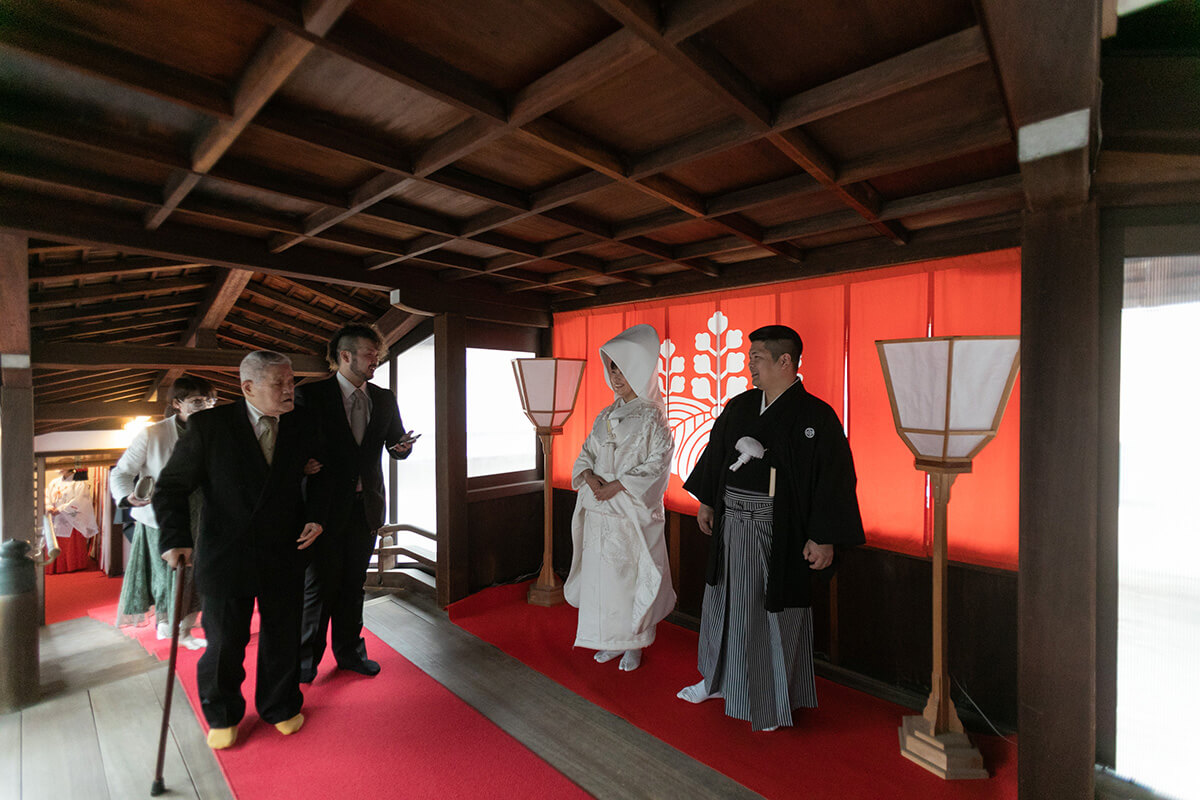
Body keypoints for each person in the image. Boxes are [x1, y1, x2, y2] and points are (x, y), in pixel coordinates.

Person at [677, 325, 865, 731]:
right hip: (731, 525)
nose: (750, 364)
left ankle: (767, 696)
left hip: (777, 534)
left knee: (768, 612)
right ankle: (715, 680)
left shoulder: (816, 416)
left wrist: (824, 535)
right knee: (723, 603)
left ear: (785, 361)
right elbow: (716, 454)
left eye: (757, 357)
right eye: (750, 356)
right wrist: (708, 500)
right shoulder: (741, 406)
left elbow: (834, 479)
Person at [154, 351, 330, 750]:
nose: (289, 390)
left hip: (285, 548)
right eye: (279, 384)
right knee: (225, 641)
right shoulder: (209, 426)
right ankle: (222, 713)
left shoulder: (301, 422)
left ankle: (280, 705)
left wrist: (317, 516)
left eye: (291, 382)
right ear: (247, 387)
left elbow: (323, 472)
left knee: (282, 636)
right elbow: (171, 487)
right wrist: (175, 538)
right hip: (226, 552)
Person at [297, 324, 413, 683]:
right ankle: (304, 662)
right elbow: (292, 448)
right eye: (368, 353)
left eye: (376, 354)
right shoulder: (310, 396)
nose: (374, 359)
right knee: (319, 587)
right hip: (323, 510)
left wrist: (403, 448)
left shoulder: (383, 398)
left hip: (366, 507)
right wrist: (301, 464)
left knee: (353, 585)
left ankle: (350, 653)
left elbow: (396, 444)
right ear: (344, 356)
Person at [564, 324, 676, 672]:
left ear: (639, 369)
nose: (615, 375)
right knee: (604, 580)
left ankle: (635, 643)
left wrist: (618, 485)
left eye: (621, 367)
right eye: (610, 366)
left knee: (629, 577)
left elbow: (659, 461)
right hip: (600, 509)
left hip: (628, 512)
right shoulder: (604, 415)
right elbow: (586, 453)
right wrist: (589, 476)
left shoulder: (653, 415)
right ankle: (609, 639)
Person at [109, 376, 216, 648]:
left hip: (205, 516)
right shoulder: (153, 433)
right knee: (169, 574)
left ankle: (186, 629)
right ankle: (168, 625)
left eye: (210, 400)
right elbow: (122, 473)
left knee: (197, 575)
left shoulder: (218, 431)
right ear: (177, 403)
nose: (206, 406)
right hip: (162, 518)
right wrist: (129, 498)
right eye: (197, 401)